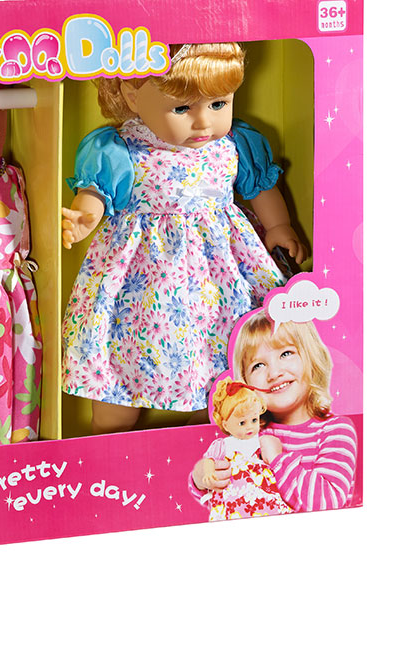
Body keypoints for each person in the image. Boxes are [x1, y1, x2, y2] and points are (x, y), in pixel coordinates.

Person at [61, 43, 306, 433]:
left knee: (227, 360)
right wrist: (84, 217)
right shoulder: (121, 150)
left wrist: (278, 226)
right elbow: (95, 193)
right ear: (132, 95)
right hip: (145, 283)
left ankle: (212, 427)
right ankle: (109, 433)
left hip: (222, 278)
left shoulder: (234, 145)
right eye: (182, 109)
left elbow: (259, 189)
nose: (204, 122)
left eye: (218, 104)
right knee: (124, 365)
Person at [190, 310, 358, 511]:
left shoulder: (335, 431)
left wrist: (278, 459)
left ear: (311, 357)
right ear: (245, 383)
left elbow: (328, 502)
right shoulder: (249, 433)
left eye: (286, 354)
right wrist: (201, 477)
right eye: (258, 365)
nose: (274, 373)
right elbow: (226, 501)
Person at [197, 377, 292, 520]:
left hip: (259, 488)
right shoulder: (223, 444)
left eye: (254, 420)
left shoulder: (261, 440)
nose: (249, 427)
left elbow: (274, 460)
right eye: (242, 423)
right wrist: (209, 472)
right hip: (233, 491)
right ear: (226, 425)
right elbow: (209, 459)